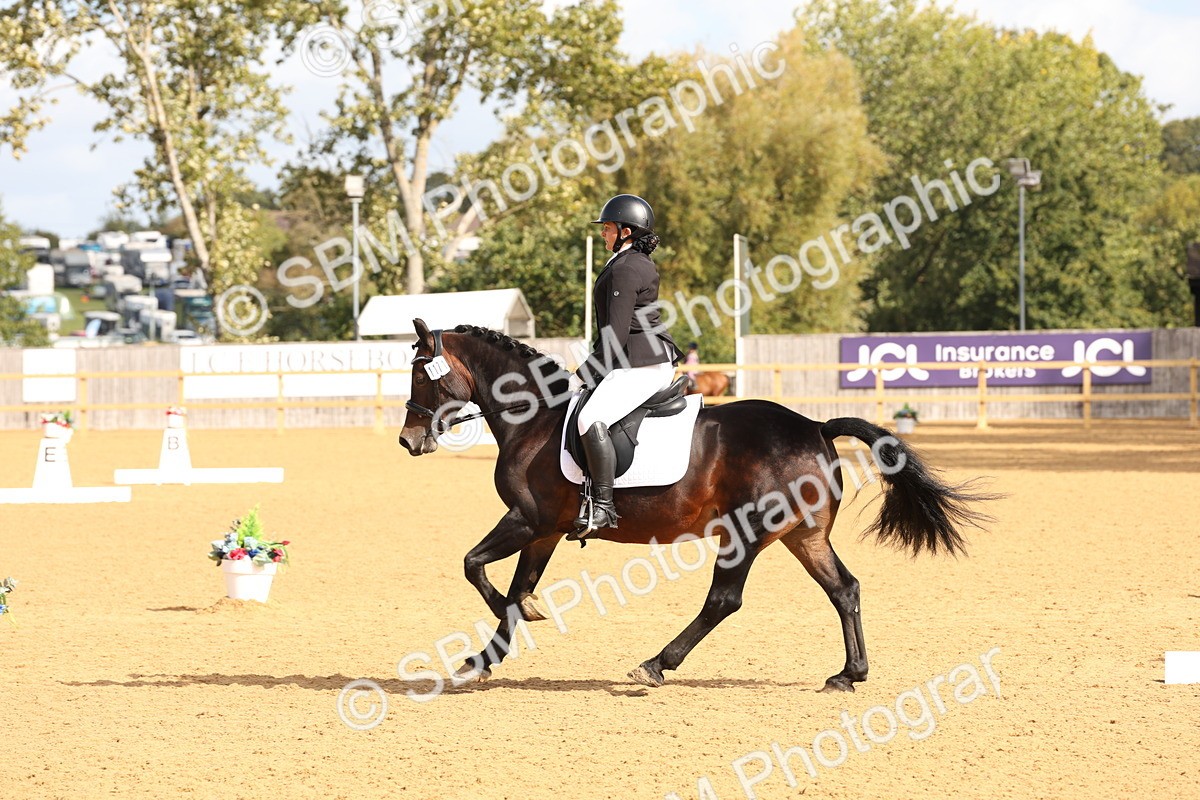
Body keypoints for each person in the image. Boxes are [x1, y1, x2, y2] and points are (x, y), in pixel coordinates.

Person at [572, 194, 683, 534]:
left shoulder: (626, 268)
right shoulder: (624, 263)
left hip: (642, 364)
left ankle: (604, 506)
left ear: (626, 231)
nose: (603, 234)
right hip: (634, 361)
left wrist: (583, 374)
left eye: (607, 228)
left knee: (590, 417)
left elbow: (615, 337)